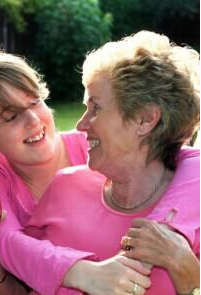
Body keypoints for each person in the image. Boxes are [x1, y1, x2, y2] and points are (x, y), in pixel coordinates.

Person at [0, 44, 199, 294]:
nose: (34, 120)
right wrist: (83, 272)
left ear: (145, 120)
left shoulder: (104, 149)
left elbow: (190, 160)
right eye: (11, 117)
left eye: (35, 102)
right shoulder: (58, 182)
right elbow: (8, 245)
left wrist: (169, 242)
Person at [25, 30, 200, 294]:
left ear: (144, 119)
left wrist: (186, 267)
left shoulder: (194, 209)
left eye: (96, 108)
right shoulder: (64, 187)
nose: (80, 124)